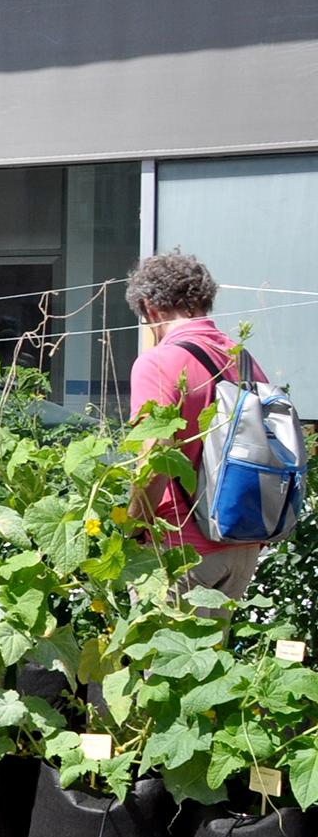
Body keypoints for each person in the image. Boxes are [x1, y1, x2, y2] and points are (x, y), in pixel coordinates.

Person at [126, 251, 269, 606]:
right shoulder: (242, 359)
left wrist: (130, 528)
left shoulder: (159, 361)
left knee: (165, 659)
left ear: (150, 307)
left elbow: (155, 459)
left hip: (182, 552)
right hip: (241, 544)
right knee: (207, 660)